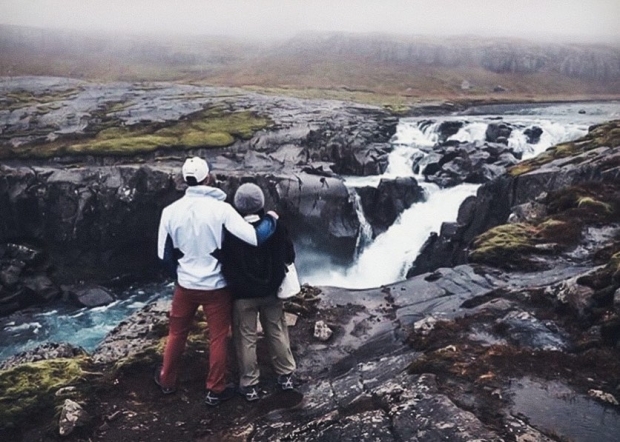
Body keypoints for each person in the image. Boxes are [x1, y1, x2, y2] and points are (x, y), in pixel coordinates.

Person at [155, 157, 278, 407]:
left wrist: (179, 276)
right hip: (216, 287)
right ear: (208, 177)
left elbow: (163, 255)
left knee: (176, 333)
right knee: (218, 338)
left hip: (185, 286)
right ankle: (215, 389)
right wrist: (272, 220)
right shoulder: (221, 210)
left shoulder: (169, 212)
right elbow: (255, 237)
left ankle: (167, 381)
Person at [221, 183, 297, 402]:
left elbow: (225, 262)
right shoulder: (275, 226)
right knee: (276, 331)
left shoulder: (230, 229)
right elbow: (289, 255)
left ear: (237, 205)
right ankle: (286, 375)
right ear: (261, 203)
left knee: (246, 337)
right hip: (271, 291)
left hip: (242, 295)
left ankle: (250, 384)